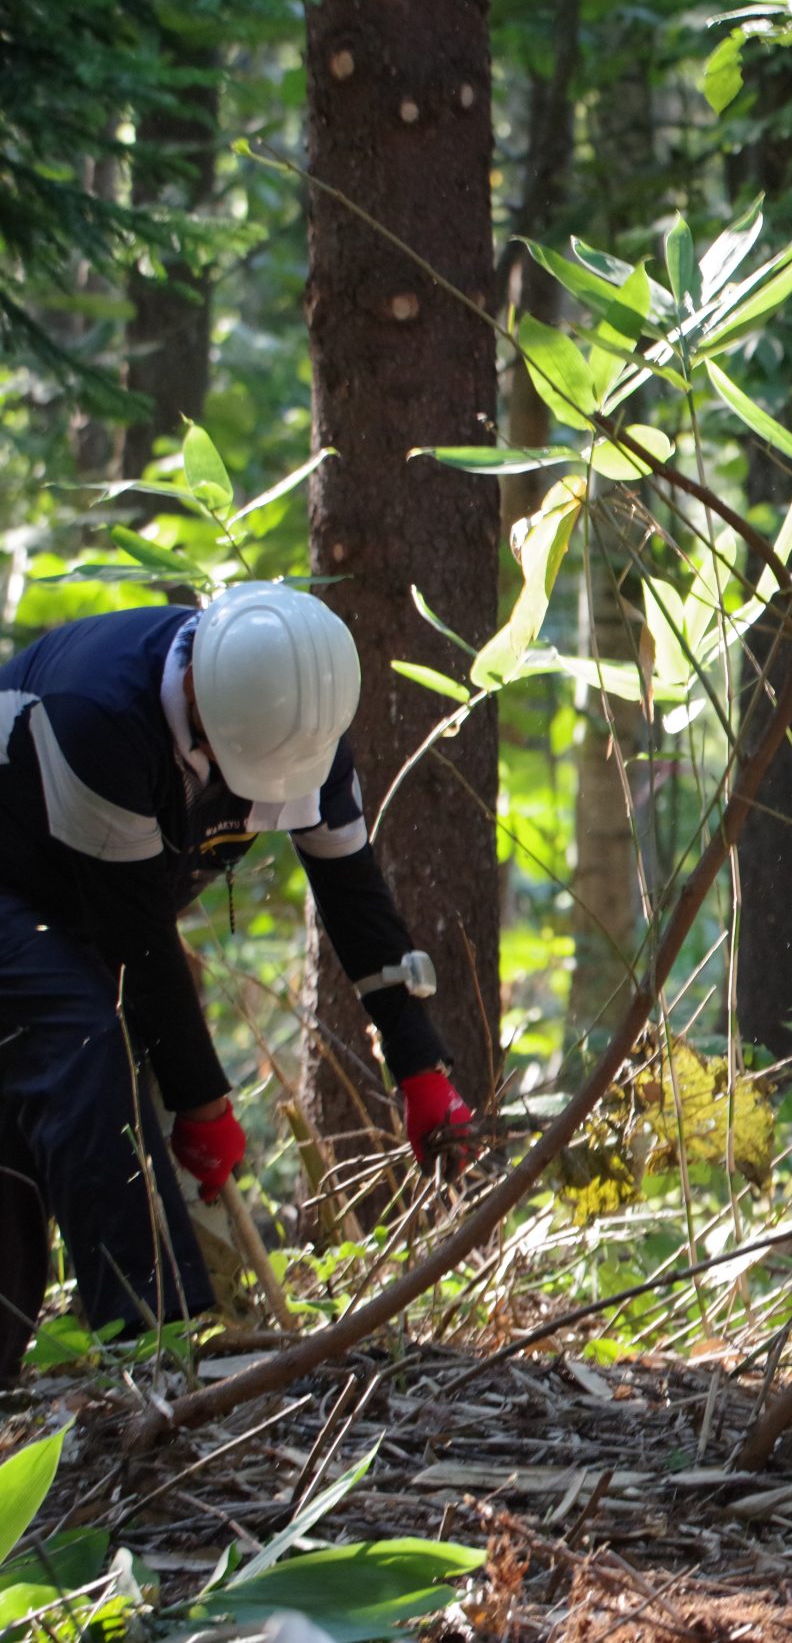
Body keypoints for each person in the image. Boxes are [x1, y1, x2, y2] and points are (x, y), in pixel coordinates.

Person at [0, 583, 477, 1380]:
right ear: (195, 693)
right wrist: (205, 1103)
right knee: (85, 1040)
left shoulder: (302, 724)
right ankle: (158, 1347)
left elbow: (354, 897)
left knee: (19, 1126)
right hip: (18, 886)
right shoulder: (97, 716)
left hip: (68, 902)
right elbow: (136, 950)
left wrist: (419, 1061)